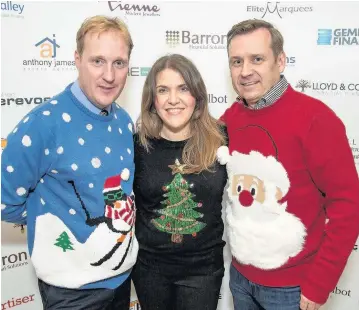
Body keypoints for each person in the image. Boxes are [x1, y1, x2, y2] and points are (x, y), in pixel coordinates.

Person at [217, 19, 359, 310]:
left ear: (280, 61)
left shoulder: (316, 119)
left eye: (257, 59)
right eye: (236, 61)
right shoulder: (231, 118)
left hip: (291, 290)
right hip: (240, 279)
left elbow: (348, 205)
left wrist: (320, 283)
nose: (245, 71)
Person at [1, 15, 138, 310]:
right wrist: (53, 219)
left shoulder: (124, 122)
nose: (109, 75)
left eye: (119, 63)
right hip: (71, 293)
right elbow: (5, 200)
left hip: (121, 277)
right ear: (77, 59)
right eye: (97, 61)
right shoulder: (44, 123)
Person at [131, 54, 227, 310]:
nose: (173, 99)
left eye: (183, 88)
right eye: (163, 90)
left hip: (203, 269)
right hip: (149, 269)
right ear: (153, 99)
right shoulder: (137, 146)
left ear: (197, 95)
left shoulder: (222, 139)